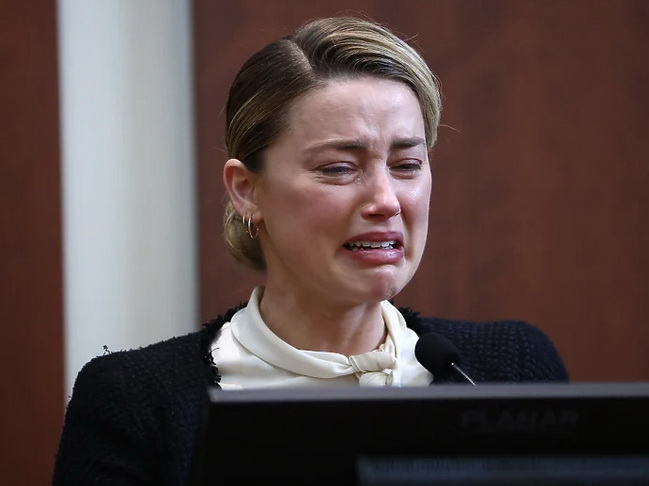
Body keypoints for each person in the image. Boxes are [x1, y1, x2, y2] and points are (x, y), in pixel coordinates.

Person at [52, 16, 568, 486]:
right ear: (247, 191)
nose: (386, 201)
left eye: (406, 165)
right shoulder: (136, 401)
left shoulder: (509, 369)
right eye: (339, 168)